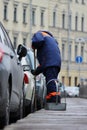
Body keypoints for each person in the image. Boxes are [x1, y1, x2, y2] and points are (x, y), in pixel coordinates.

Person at [31, 30, 61, 103]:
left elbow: (37, 40)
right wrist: (36, 71)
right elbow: (43, 64)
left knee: (50, 83)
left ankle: (53, 101)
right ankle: (55, 99)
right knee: (53, 81)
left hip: (51, 63)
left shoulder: (39, 34)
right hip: (56, 63)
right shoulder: (50, 39)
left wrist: (33, 45)